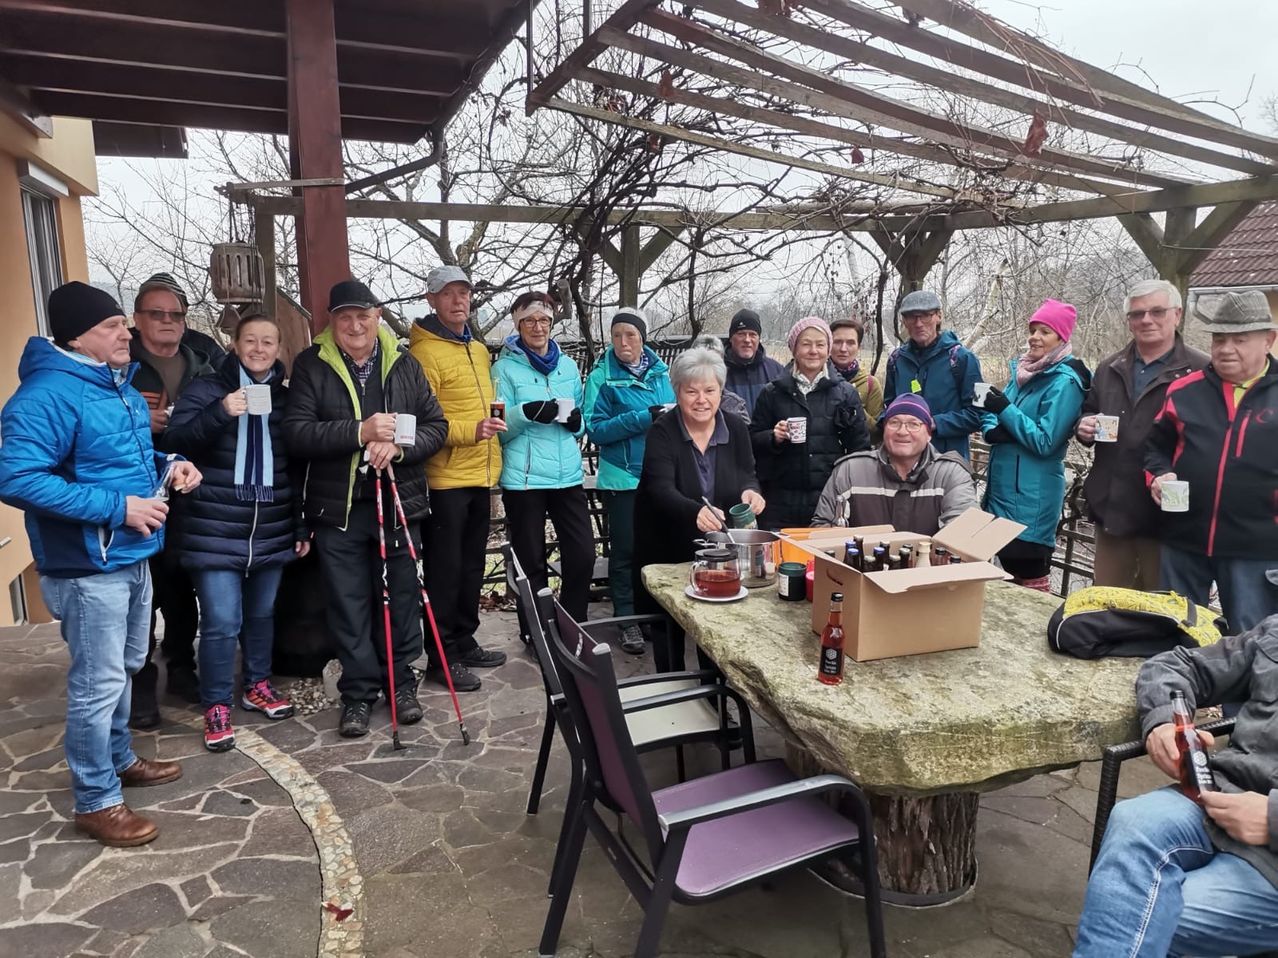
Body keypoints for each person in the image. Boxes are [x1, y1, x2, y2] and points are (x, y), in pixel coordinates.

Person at [0, 282, 202, 847]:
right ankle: (95, 799)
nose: (126, 333)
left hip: (132, 554)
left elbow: (128, 459)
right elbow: (16, 478)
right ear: (77, 336)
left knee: (128, 662)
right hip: (88, 564)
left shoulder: (115, 388)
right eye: (113, 325)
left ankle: (117, 759)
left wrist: (175, 465)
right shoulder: (46, 395)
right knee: (98, 681)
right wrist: (118, 508)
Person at [283, 279, 447, 738]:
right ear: (331, 321)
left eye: (363, 315)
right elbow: (296, 434)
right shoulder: (312, 365)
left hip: (398, 501)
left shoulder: (404, 364)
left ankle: (401, 684)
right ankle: (359, 692)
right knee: (348, 603)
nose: (355, 325)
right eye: (344, 317)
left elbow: (435, 426)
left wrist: (398, 447)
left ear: (378, 316)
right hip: (339, 510)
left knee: (401, 599)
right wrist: (361, 432)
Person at [1073, 615, 1278, 957]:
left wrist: (1272, 818)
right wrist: (1166, 721)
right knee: (1132, 820)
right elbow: (1180, 664)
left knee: (1139, 911)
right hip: (1222, 797)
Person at [163, 311, 305, 752]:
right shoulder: (207, 389)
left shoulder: (285, 398)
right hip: (214, 525)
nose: (260, 349)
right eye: (251, 341)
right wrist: (223, 412)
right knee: (223, 621)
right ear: (234, 344)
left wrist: (300, 523)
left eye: (269, 342)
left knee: (261, 615)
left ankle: (257, 685)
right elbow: (174, 444)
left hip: (271, 523)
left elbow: (297, 466)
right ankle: (217, 704)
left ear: (279, 349)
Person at [1145, 289, 1278, 636]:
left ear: (1269, 340)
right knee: (1175, 635)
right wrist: (1159, 475)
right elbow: (1155, 448)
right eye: (1219, 339)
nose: (1225, 349)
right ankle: (1171, 691)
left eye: (1239, 339)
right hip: (1183, 543)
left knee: (1254, 643)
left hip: (1258, 551)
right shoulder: (1183, 391)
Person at [633, 346, 766, 672]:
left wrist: (752, 491)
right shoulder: (663, 431)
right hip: (665, 547)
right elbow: (659, 488)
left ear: (721, 391)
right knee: (668, 628)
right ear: (677, 392)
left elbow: (748, 473)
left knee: (714, 628)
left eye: (710, 390)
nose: (701, 399)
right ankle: (672, 692)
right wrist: (693, 511)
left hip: (716, 552)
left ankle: (713, 697)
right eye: (691, 391)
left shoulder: (735, 429)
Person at [408, 265, 507, 693]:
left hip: (482, 474)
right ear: (431, 300)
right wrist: (473, 431)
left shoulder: (479, 350)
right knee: (445, 572)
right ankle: (440, 658)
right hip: (445, 478)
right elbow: (421, 423)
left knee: (471, 567)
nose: (458, 301)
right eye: (448, 294)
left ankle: (464, 641)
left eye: (464, 293)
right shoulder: (423, 354)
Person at [1075, 280, 1208, 591]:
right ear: (1129, 322)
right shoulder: (1110, 366)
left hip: (1167, 515)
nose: (1146, 320)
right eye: (1137, 314)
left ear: (1177, 315)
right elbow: (1089, 410)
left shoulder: (1201, 371)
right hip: (1113, 508)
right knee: (1106, 605)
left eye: (1157, 311)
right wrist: (1083, 428)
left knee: (1161, 611)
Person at [129, 273, 214, 723]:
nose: (167, 321)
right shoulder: (119, 365)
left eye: (175, 315)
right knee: (143, 591)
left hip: (191, 492)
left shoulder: (203, 363)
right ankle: (140, 681)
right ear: (137, 319)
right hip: (137, 496)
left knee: (183, 587)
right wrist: (147, 423)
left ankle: (182, 666)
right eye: (156, 313)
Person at [492, 290, 594, 623]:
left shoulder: (566, 365)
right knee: (531, 561)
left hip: (567, 476)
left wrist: (578, 424)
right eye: (530, 321)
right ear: (518, 324)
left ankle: (573, 622)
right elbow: (499, 428)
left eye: (544, 320)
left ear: (552, 323)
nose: (538, 327)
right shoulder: (504, 369)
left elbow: (578, 417)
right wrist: (527, 412)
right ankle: (535, 630)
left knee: (582, 555)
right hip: (525, 479)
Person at [979, 299, 1090, 592]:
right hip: (1000, 495)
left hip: (1031, 501)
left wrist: (1006, 412)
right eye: (1033, 330)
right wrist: (992, 431)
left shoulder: (1065, 381)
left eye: (1045, 332)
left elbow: (1046, 441)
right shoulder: (1024, 371)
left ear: (1061, 338)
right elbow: (993, 409)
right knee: (1004, 581)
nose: (1035, 337)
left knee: (1029, 582)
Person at [583, 307, 675, 655]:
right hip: (622, 476)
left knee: (655, 550)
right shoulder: (601, 377)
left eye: (631, 335)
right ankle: (627, 621)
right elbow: (595, 430)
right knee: (625, 552)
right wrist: (643, 418)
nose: (624, 342)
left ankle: (651, 615)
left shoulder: (661, 373)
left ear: (642, 338)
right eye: (617, 334)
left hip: (658, 475)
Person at [750, 317, 869, 530]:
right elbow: (752, 440)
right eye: (806, 344)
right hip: (780, 501)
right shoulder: (773, 392)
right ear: (794, 349)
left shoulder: (845, 393)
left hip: (828, 499)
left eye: (820, 344)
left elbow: (860, 449)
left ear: (828, 349)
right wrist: (773, 437)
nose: (813, 351)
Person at [812, 394, 976, 532]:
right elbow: (822, 526)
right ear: (884, 430)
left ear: (928, 434)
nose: (902, 432)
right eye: (894, 422)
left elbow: (965, 531)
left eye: (914, 424)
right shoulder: (850, 470)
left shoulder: (950, 473)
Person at [882, 289, 984, 459]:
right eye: (911, 317)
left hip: (948, 460)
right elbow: (889, 406)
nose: (918, 323)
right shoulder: (896, 360)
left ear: (939, 316)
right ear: (904, 322)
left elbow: (979, 414)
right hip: (904, 461)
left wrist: (935, 422)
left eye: (926, 315)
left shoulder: (963, 359)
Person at [829, 315, 884, 436]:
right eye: (837, 342)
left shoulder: (870, 384)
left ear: (858, 347)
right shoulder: (818, 379)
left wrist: (854, 407)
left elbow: (877, 432)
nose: (843, 349)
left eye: (850, 343)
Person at [722, 308, 784, 415]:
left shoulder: (776, 371)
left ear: (759, 338)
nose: (747, 340)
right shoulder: (716, 371)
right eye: (741, 334)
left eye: (752, 334)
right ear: (731, 338)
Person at [689, 334, 749, 422]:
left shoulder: (734, 406)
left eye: (714, 363)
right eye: (701, 362)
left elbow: (746, 434)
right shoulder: (684, 398)